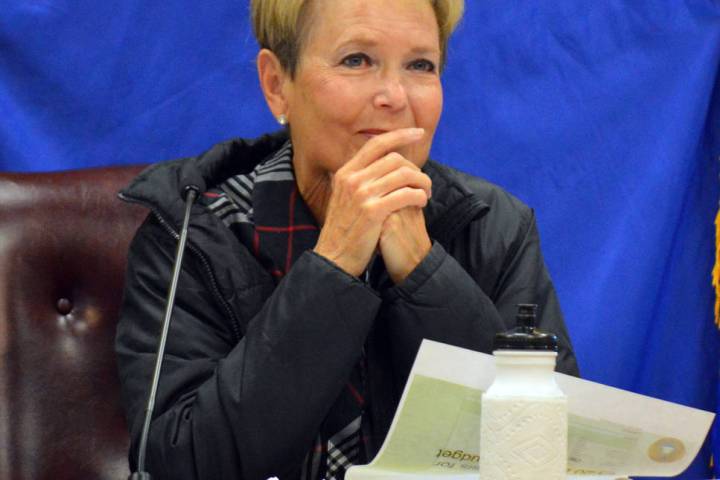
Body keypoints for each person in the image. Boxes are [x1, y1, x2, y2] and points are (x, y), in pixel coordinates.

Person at [115, 0, 580, 479]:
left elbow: (555, 450)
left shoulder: (493, 225)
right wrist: (333, 265)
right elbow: (179, 465)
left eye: (421, 65)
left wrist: (423, 270)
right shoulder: (193, 231)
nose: (394, 96)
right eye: (356, 60)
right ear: (278, 86)